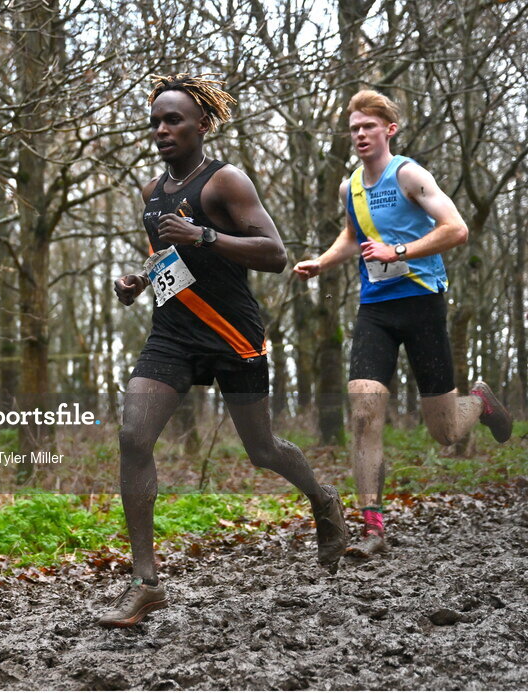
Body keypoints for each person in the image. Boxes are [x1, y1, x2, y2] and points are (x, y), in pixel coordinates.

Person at [99, 74, 348, 629]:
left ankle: (323, 497)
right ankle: (146, 584)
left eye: (174, 121)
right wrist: (139, 280)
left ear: (201, 125)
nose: (162, 130)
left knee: (261, 450)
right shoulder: (152, 193)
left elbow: (275, 253)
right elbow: (171, 261)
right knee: (132, 436)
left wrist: (206, 237)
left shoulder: (224, 181)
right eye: (156, 122)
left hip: (233, 333)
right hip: (173, 334)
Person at [293, 89, 513, 558]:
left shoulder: (409, 174)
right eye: (353, 129)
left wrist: (401, 251)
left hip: (422, 304)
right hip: (375, 310)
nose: (359, 135)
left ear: (388, 130)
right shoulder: (349, 186)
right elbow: (352, 236)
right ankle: (373, 527)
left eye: (368, 127)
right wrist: (323, 263)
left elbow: (456, 229)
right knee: (364, 413)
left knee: (445, 432)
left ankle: (479, 402)